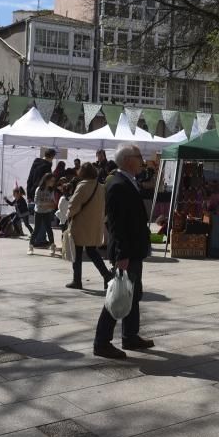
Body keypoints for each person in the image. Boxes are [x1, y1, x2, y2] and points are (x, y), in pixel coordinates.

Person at [94, 143, 153, 359]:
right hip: (125, 252)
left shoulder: (127, 181)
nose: (142, 160)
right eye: (139, 156)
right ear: (128, 160)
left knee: (133, 293)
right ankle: (101, 342)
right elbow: (117, 225)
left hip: (133, 249)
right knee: (118, 295)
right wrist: (122, 255)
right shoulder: (118, 184)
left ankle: (130, 335)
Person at [64, 163, 111, 290]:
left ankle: (77, 280)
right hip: (94, 224)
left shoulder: (82, 186)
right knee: (92, 251)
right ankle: (106, 275)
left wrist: (68, 215)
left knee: (77, 252)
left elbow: (74, 204)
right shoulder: (100, 187)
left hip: (81, 224)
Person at [29, 173, 58, 254]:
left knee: (49, 229)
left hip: (47, 212)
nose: (53, 182)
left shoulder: (51, 190)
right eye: (51, 181)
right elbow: (36, 201)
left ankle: (52, 246)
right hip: (38, 212)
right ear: (46, 180)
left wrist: (49, 204)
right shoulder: (39, 189)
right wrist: (46, 204)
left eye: (53, 181)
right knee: (36, 229)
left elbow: (53, 202)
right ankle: (30, 246)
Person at [26, 148, 56, 218]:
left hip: (33, 191)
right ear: (52, 156)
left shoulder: (36, 162)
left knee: (37, 216)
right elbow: (48, 182)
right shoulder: (47, 166)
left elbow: (30, 178)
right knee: (44, 218)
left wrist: (28, 194)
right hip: (43, 194)